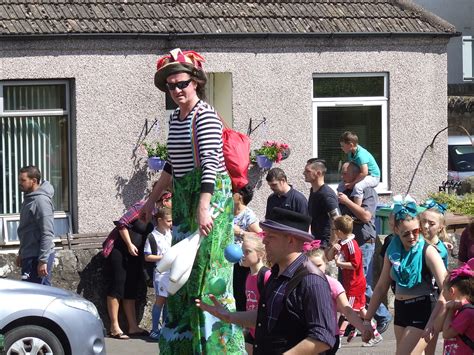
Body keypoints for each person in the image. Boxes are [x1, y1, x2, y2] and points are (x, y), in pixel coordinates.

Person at [140, 48, 244, 354]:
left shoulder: (205, 115)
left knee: (205, 275)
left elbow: (211, 162)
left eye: (182, 83)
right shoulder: (176, 117)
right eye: (170, 86)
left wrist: (203, 207)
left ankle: (214, 346)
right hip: (186, 200)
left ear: (196, 82)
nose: (176, 90)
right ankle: (184, 345)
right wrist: (150, 201)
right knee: (182, 275)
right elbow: (172, 166)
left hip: (208, 199)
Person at [196, 207, 336, 354]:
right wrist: (229, 316)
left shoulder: (311, 280)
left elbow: (323, 337)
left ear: (290, 240)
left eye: (271, 236)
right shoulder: (276, 274)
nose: (264, 241)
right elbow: (265, 316)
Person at [363, 200, 448, 354]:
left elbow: (447, 288)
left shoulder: (428, 251)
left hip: (423, 310)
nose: (412, 237)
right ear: (395, 230)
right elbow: (382, 286)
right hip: (401, 310)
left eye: (415, 231)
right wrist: (367, 320)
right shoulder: (392, 250)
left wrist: (432, 320)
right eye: (405, 233)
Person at [337, 161, 392, 333]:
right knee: (346, 284)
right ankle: (354, 321)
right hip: (347, 242)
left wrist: (347, 202)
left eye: (345, 173)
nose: (342, 176)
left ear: (356, 174)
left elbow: (366, 216)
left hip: (363, 241)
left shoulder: (367, 191)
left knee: (360, 283)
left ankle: (383, 315)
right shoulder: (344, 190)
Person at [305, 243, 375, 353]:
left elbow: (348, 310)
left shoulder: (332, 284)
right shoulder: (301, 284)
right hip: (307, 335)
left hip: (329, 336)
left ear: (325, 264)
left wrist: (363, 329)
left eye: (318, 265)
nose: (315, 270)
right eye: (310, 266)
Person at [327, 215, 383, 347]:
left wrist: (340, 263)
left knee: (347, 310)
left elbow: (355, 264)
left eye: (334, 229)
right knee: (362, 310)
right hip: (350, 283)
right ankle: (375, 334)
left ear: (339, 231)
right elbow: (329, 257)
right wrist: (333, 248)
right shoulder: (341, 243)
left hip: (355, 284)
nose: (333, 231)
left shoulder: (352, 244)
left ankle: (337, 339)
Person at [105, 200, 154, 339]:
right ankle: (114, 327)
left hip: (136, 255)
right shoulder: (142, 207)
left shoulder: (159, 214)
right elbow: (122, 223)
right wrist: (129, 244)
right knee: (117, 286)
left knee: (130, 288)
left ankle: (132, 326)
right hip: (120, 250)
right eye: (169, 198)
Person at [16, 165, 55, 286]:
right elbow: (27, 230)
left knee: (39, 296)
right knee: (32, 295)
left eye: (23, 180)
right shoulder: (29, 199)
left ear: (33, 181)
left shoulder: (40, 201)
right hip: (29, 255)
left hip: (38, 257)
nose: (19, 183)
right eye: (19, 180)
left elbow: (47, 232)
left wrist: (43, 260)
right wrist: (22, 252)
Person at [143, 207, 173, 340]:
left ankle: (165, 327)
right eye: (168, 221)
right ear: (160, 220)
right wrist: (164, 258)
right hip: (160, 273)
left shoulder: (170, 233)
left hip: (172, 272)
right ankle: (154, 329)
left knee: (168, 301)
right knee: (160, 301)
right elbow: (147, 256)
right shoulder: (152, 236)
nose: (171, 224)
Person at [233, 184, 262, 312]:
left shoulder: (248, 214)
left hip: (241, 260)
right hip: (227, 259)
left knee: (240, 293)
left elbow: (259, 235)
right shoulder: (228, 211)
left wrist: (240, 232)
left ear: (240, 196)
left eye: (233, 191)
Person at [240, 233, 271, 355]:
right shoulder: (248, 275)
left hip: (264, 332)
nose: (242, 255)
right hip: (252, 331)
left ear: (260, 254)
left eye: (247, 252)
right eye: (242, 251)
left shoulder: (266, 276)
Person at [439, 259, 474, 355]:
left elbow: (446, 334)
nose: (443, 294)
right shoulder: (461, 309)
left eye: (444, 291)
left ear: (451, 291)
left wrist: (450, 310)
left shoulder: (467, 312)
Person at [303, 158, 339, 249]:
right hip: (316, 242)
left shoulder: (326, 195)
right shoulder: (313, 191)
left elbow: (337, 219)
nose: (304, 173)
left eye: (307, 171)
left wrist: (331, 244)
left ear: (318, 173)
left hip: (325, 244)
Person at [339, 131, 380, 206]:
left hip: (373, 177)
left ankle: (357, 209)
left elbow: (364, 172)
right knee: (341, 185)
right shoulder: (351, 153)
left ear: (351, 145)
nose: (341, 148)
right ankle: (339, 205)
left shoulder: (361, 155)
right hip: (363, 175)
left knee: (358, 187)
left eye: (343, 146)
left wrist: (352, 183)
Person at [420, 199, 451, 268]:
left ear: (440, 227)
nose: (425, 226)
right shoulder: (415, 241)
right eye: (423, 221)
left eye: (431, 224)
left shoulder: (441, 251)